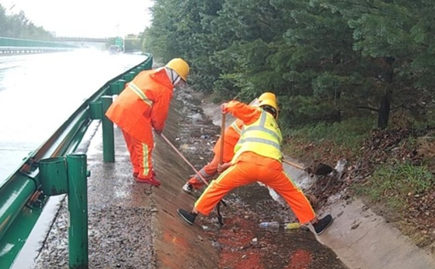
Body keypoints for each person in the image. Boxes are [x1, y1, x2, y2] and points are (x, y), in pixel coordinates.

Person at [177, 93, 334, 235]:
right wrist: (227, 165)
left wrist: (227, 106)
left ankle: (193, 215)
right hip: (272, 168)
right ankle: (316, 224)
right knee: (294, 194)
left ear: (260, 105)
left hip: (246, 165)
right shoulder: (276, 129)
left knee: (217, 187)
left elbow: (237, 108)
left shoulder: (257, 113)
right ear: (275, 112)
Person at [105, 58, 189, 186]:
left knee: (133, 144)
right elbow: (159, 114)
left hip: (120, 108)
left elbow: (129, 86)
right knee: (145, 144)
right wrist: (158, 128)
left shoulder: (146, 74)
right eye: (180, 81)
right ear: (175, 76)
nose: (178, 84)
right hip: (134, 114)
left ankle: (138, 169)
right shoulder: (164, 89)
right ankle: (145, 175)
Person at [182, 111, 245, 195]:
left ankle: (212, 192)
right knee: (214, 167)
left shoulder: (255, 115)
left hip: (235, 145)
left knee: (223, 171)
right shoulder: (255, 118)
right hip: (229, 145)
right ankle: (191, 184)